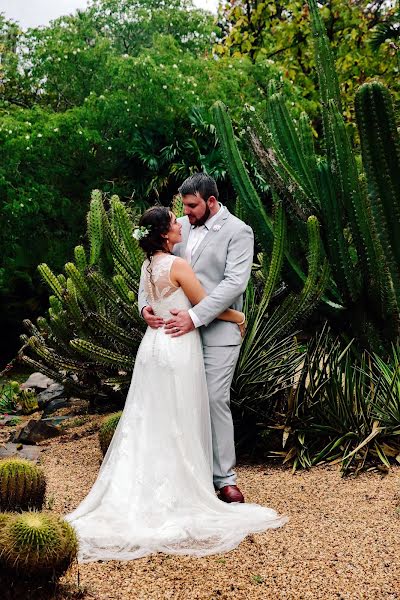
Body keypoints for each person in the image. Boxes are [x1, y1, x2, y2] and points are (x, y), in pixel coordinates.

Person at [66, 204, 287, 563]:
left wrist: (146, 312)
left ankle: (148, 485)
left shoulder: (148, 264)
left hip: (153, 348)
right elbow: (205, 304)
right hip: (178, 348)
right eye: (173, 221)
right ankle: (181, 488)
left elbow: (149, 296)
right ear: (165, 234)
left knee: (153, 418)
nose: (179, 223)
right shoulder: (178, 265)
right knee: (180, 417)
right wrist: (239, 315)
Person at [140, 173, 250, 503]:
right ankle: (188, 475)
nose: (186, 213)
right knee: (179, 400)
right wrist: (145, 306)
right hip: (176, 335)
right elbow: (151, 265)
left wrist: (195, 316)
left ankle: (224, 478)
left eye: (191, 206)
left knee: (214, 398)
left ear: (211, 202)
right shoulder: (179, 227)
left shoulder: (239, 231)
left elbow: (234, 283)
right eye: (183, 207)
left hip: (217, 330)